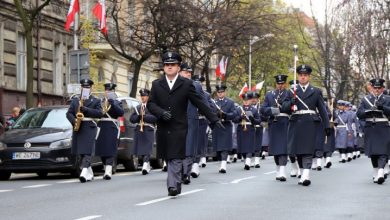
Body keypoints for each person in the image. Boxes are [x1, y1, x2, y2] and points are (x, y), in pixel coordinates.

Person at [147, 51, 223, 196]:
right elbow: (151, 104)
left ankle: (172, 186)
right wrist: (161, 112)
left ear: (178, 67)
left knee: (175, 156)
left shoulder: (186, 84)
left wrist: (214, 118)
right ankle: (176, 183)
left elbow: (199, 102)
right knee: (168, 156)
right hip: (164, 126)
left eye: (173, 65)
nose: (169, 67)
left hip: (179, 126)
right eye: (167, 65)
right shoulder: (156, 84)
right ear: (164, 67)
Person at [281, 65, 331, 186]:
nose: (303, 77)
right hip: (296, 122)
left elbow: (322, 110)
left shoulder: (316, 91)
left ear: (309, 77)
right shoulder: (292, 91)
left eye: (305, 75)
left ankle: (306, 174)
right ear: (298, 76)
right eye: (301, 75)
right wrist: (290, 103)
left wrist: (327, 126)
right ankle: (303, 173)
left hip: (310, 123)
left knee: (308, 150)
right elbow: (284, 108)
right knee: (298, 151)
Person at [66, 79, 103, 183]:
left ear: (91, 88)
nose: (85, 89)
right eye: (83, 87)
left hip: (89, 127)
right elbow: (69, 113)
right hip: (78, 127)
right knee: (81, 152)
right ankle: (89, 173)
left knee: (87, 151)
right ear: (81, 88)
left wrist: (87, 110)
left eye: (87, 87)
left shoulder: (95, 100)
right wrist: (74, 121)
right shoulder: (75, 99)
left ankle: (84, 170)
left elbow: (100, 113)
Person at [357, 78, 390, 184]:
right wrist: (367, 112)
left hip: (383, 127)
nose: (377, 90)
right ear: (372, 88)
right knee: (373, 152)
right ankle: (376, 172)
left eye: (379, 88)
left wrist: (383, 108)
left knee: (383, 151)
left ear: (383, 88)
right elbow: (359, 114)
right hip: (370, 127)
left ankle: (381, 172)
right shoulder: (365, 99)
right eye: (375, 88)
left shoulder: (388, 99)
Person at [261, 74, 290, 181]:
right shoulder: (270, 95)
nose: (280, 85)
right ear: (276, 84)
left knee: (283, 148)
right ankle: (278, 168)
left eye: (282, 83)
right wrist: (272, 110)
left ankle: (282, 170)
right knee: (275, 148)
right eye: (278, 83)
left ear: (285, 84)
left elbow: (292, 108)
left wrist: (284, 107)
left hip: (285, 123)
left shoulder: (289, 94)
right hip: (273, 123)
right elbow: (263, 109)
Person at [95, 83, 124, 180]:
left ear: (113, 92)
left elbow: (120, 113)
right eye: (107, 90)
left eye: (110, 91)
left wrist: (113, 103)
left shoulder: (117, 102)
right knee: (102, 150)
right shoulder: (100, 101)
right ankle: (106, 166)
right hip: (102, 127)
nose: (108, 92)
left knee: (111, 149)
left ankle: (108, 170)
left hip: (112, 127)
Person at [130, 88, 157, 175]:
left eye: (145, 96)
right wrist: (138, 117)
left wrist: (144, 116)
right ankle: (146, 163)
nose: (143, 97)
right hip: (139, 129)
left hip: (148, 129)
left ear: (148, 97)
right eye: (142, 96)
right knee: (141, 149)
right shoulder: (138, 107)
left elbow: (155, 118)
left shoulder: (152, 107)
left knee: (147, 148)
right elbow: (132, 119)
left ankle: (145, 164)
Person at [212, 84, 238, 173]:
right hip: (217, 126)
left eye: (222, 92)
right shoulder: (214, 102)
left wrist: (226, 115)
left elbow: (234, 114)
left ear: (225, 92)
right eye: (218, 92)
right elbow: (210, 113)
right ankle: (221, 162)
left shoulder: (230, 102)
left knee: (225, 147)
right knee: (218, 149)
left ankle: (223, 164)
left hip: (226, 126)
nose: (220, 94)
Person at [233, 92, 261, 170]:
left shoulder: (254, 110)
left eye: (247, 100)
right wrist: (240, 117)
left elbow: (259, 121)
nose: (246, 101)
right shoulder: (238, 109)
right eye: (244, 100)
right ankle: (246, 160)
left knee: (249, 146)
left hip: (250, 129)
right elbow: (234, 120)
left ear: (250, 100)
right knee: (242, 147)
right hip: (241, 128)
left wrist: (253, 119)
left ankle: (248, 161)